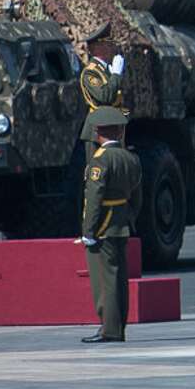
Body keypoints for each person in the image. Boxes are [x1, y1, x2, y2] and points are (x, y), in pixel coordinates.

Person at [76, 107, 141, 344]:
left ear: (98, 132)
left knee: (105, 281)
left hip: (103, 225)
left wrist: (89, 231)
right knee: (119, 278)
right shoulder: (130, 158)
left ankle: (110, 329)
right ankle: (117, 325)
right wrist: (129, 217)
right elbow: (137, 195)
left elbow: (94, 199)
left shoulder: (100, 161)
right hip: (121, 222)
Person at [76, 22, 127, 118]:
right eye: (108, 44)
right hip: (98, 128)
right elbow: (105, 96)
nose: (112, 48)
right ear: (97, 48)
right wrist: (116, 75)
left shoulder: (106, 69)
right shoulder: (90, 72)